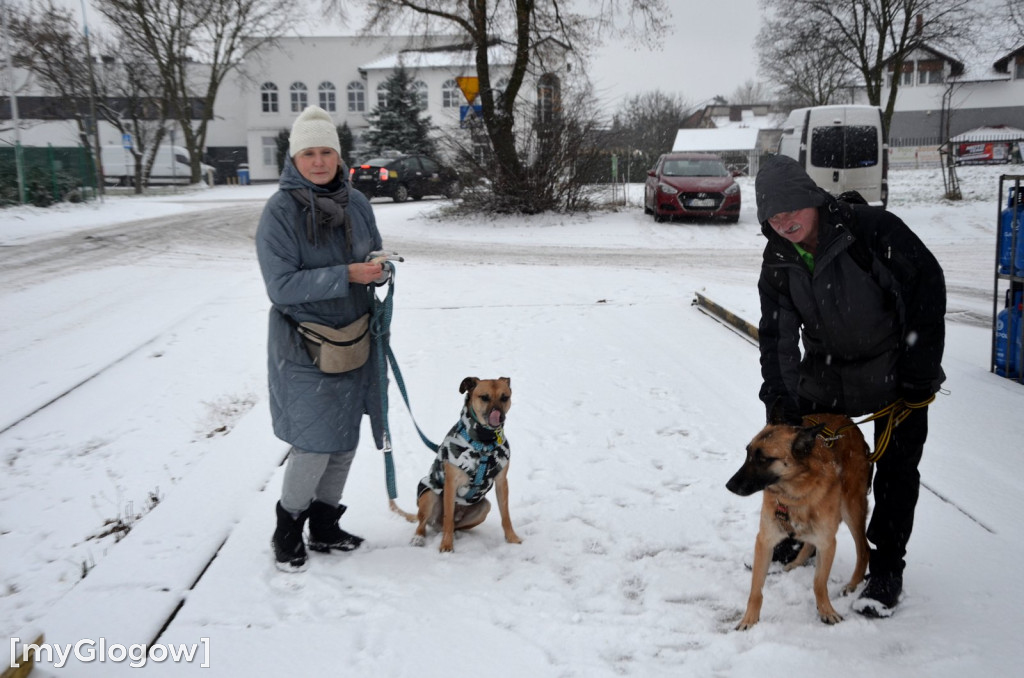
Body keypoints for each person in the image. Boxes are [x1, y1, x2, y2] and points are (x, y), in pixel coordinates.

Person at [754, 154, 946, 617]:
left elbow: (927, 288)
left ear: (811, 200)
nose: (783, 223)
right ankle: (802, 537)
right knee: (803, 463)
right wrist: (781, 397)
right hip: (826, 377)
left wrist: (919, 371)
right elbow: (778, 332)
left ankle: (885, 568)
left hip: (895, 377)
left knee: (897, 473)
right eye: (772, 217)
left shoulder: (872, 230)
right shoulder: (779, 257)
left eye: (790, 211)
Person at [256, 105, 388, 572]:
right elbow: (281, 287)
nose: (318, 161)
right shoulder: (280, 212)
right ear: (294, 159)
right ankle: (287, 528)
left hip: (355, 338)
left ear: (338, 155)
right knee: (314, 442)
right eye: (308, 153)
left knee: (345, 438)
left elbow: (372, 252)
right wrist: (346, 275)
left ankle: (325, 524)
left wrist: (379, 268)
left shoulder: (357, 203)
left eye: (326, 151)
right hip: (303, 345)